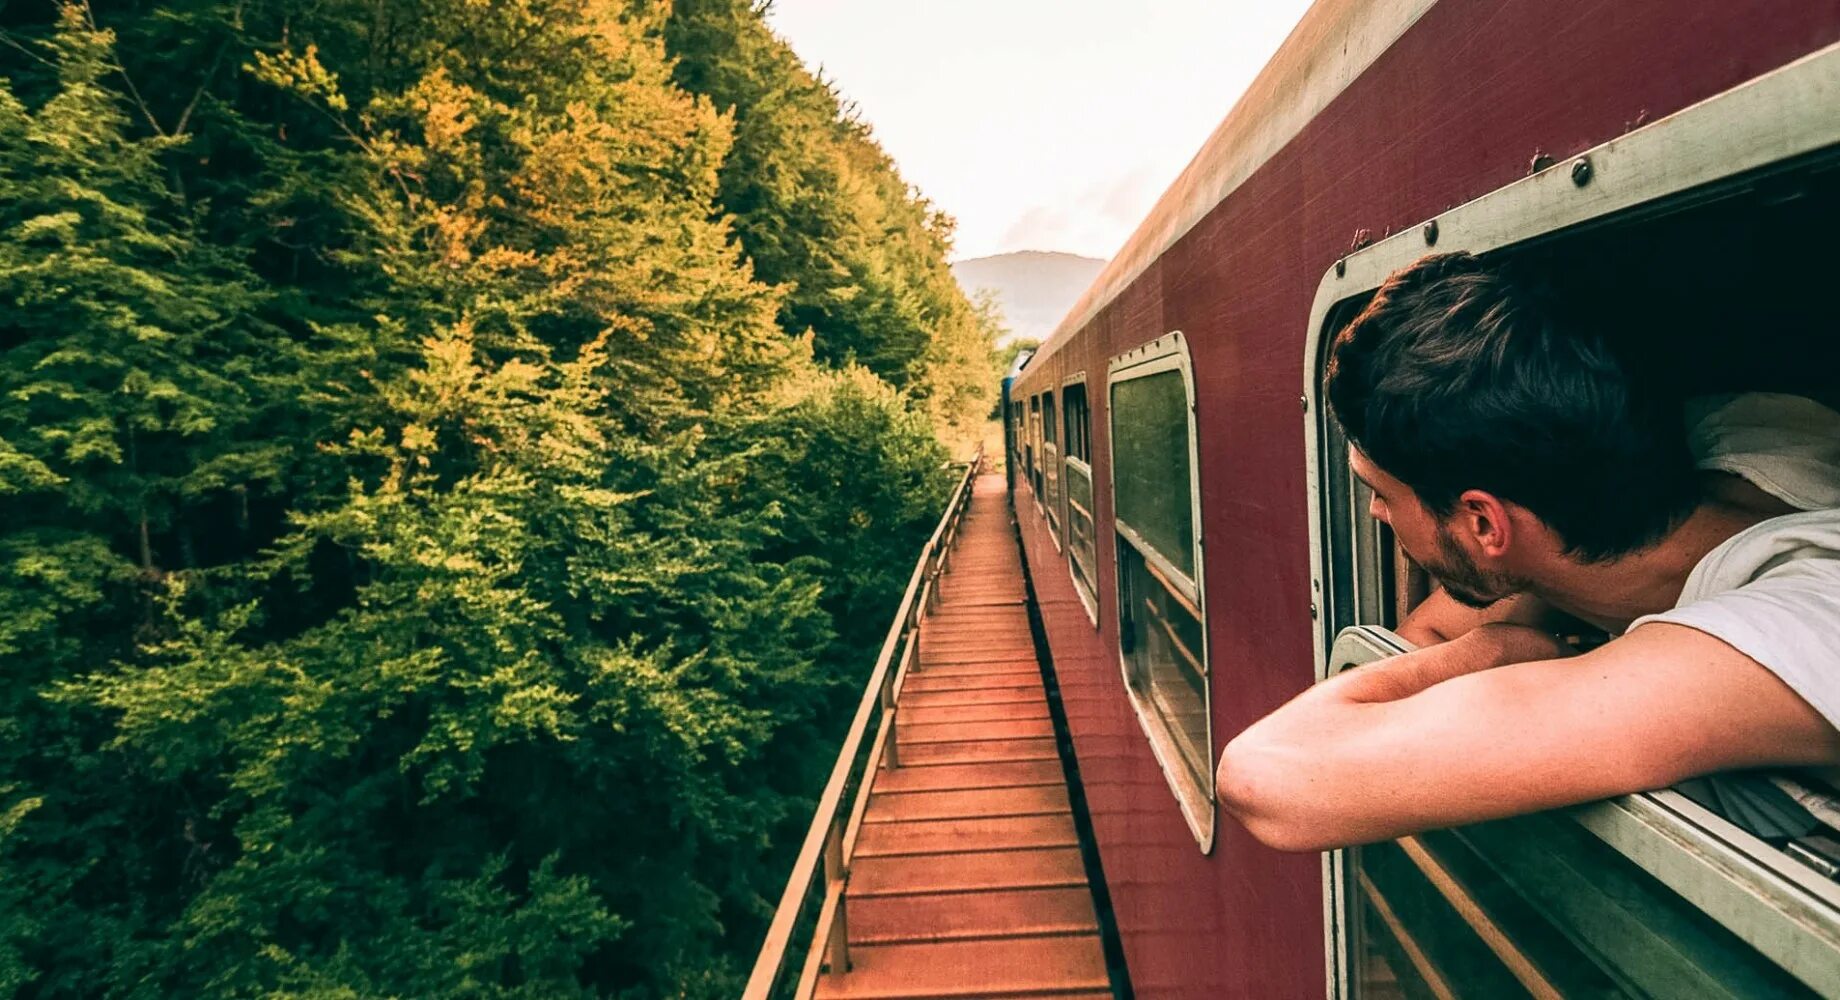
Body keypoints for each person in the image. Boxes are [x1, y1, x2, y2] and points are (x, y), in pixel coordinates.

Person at [1214, 252, 1840, 852]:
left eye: (1380, 493)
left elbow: (1266, 773)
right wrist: (1524, 604)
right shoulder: (1756, 428)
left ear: (1485, 524)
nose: (1376, 514)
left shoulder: (1788, 632)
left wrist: (1499, 645)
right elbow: (1428, 629)